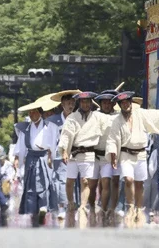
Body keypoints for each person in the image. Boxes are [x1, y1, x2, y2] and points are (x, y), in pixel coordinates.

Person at [106, 91, 159, 228]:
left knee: (139, 184)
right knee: (128, 180)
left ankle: (139, 208)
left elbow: (155, 116)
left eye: (127, 102)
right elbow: (112, 139)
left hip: (140, 154)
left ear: (131, 103)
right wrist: (113, 154)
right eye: (123, 103)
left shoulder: (140, 114)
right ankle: (130, 206)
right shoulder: (116, 121)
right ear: (119, 105)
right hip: (125, 154)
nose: (125, 104)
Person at [57, 91, 109, 228]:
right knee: (70, 182)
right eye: (83, 101)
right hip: (73, 153)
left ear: (91, 102)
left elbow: (111, 122)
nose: (85, 104)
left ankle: (83, 206)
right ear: (80, 103)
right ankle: (71, 202)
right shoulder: (72, 118)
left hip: (89, 154)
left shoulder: (98, 116)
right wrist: (64, 151)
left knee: (86, 181)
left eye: (88, 101)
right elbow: (66, 135)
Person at [13, 100, 59, 226]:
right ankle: (32, 210)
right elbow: (21, 146)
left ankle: (44, 206)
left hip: (44, 157)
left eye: (35, 111)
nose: (32, 114)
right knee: (30, 186)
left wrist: (51, 156)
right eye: (30, 112)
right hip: (30, 158)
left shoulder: (49, 126)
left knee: (44, 183)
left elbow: (53, 144)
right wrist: (17, 159)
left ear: (40, 113)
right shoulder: (25, 128)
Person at [46, 89, 80, 220]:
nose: (70, 105)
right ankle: (62, 207)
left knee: (75, 182)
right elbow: (50, 140)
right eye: (68, 103)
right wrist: (50, 155)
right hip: (59, 156)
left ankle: (74, 207)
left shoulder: (79, 118)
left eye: (72, 103)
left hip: (76, 155)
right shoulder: (53, 121)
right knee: (61, 181)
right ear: (62, 104)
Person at [92, 90, 121, 227]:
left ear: (114, 103)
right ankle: (95, 207)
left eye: (109, 102)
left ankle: (109, 209)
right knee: (94, 183)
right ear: (100, 104)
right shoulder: (95, 116)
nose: (107, 105)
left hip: (114, 154)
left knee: (111, 181)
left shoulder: (119, 116)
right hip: (96, 153)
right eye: (104, 102)